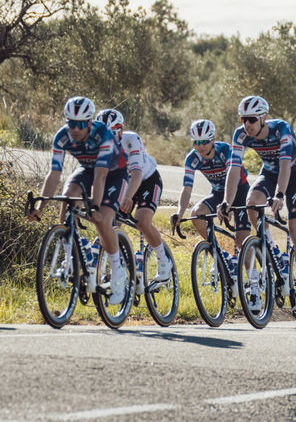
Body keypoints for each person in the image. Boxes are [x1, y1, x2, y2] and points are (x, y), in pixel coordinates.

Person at [27, 96, 130, 305]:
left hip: (114, 174)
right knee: (67, 197)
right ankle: (71, 255)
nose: (75, 128)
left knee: (102, 220)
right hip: (87, 170)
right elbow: (53, 173)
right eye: (71, 123)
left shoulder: (103, 135)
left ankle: (118, 273)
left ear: (89, 122)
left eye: (80, 124)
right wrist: (40, 207)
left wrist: (95, 207)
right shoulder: (62, 137)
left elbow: (101, 176)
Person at [219, 96, 296, 313]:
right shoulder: (240, 134)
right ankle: (272, 248)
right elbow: (234, 169)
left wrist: (280, 194)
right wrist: (227, 201)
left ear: (263, 118)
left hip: (294, 176)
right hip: (269, 174)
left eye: (251, 119)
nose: (247, 125)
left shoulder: (282, 129)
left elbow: (285, 165)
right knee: (251, 203)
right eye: (243, 119)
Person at [95, 109, 175, 286]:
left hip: (147, 179)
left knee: (142, 221)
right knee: (110, 224)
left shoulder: (131, 140)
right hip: (122, 183)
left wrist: (128, 197)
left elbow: (137, 173)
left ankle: (164, 262)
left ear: (120, 131)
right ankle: (119, 266)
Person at [173, 119, 252, 266]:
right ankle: (222, 257)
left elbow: (232, 176)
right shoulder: (192, 158)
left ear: (213, 140)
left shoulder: (226, 151)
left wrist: (228, 203)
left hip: (239, 190)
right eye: (196, 142)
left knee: (242, 241)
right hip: (218, 193)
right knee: (196, 213)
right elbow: (187, 188)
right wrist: (180, 213)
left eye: (204, 141)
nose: (200, 146)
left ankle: (254, 281)